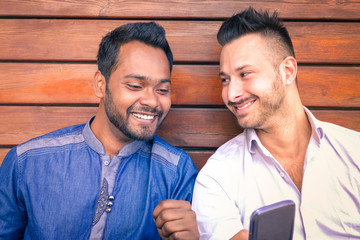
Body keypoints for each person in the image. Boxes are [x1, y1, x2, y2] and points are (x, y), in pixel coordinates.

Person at [0, 22, 199, 239]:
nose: (152, 101)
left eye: (162, 90)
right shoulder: (26, 162)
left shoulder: (176, 171)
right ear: (100, 85)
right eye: (135, 86)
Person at [191, 7, 360, 240]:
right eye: (225, 80)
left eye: (245, 74)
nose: (231, 94)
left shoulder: (355, 152)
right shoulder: (217, 176)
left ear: (287, 71)